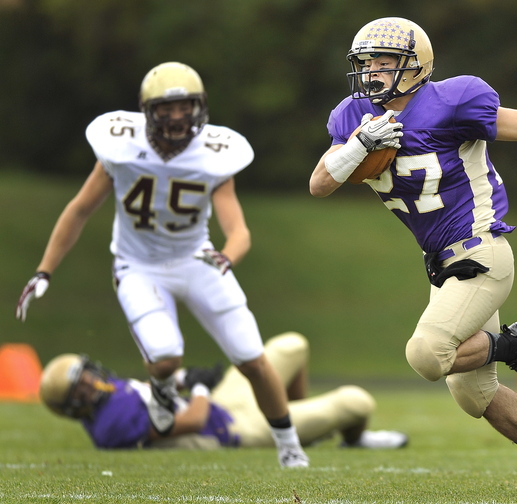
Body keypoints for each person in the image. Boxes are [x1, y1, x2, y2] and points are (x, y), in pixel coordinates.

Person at [309, 17, 517, 497]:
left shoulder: (451, 101)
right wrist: (358, 146)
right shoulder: (353, 118)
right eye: (366, 62)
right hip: (441, 267)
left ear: (414, 67)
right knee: (473, 394)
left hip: (481, 251)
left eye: (384, 62)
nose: (371, 72)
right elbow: (320, 184)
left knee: (428, 356)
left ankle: (515, 346)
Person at [15, 62, 309, 467]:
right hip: (139, 265)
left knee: (251, 358)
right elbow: (79, 210)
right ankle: (163, 392)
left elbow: (238, 231)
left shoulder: (215, 155)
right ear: (146, 111)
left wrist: (229, 256)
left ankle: (289, 444)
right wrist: (44, 269)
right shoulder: (119, 147)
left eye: (184, 107)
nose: (175, 118)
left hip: (195, 259)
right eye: (165, 109)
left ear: (199, 108)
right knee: (166, 355)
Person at [38, 332, 409, 450]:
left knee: (292, 345)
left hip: (221, 405)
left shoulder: (111, 393)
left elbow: (157, 391)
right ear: (72, 406)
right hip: (231, 429)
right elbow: (192, 420)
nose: (92, 382)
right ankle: (352, 440)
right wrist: (198, 387)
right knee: (357, 401)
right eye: (81, 386)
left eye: (86, 374)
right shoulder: (110, 425)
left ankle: (294, 419)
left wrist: (183, 379)